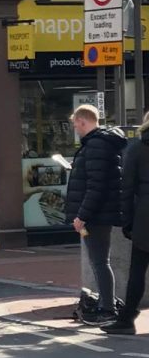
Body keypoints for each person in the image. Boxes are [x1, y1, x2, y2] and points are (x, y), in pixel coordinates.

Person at [65, 104, 126, 325]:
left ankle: (107, 307)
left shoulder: (95, 146)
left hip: (96, 216)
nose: (75, 129)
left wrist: (81, 216)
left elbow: (96, 187)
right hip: (101, 213)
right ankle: (106, 302)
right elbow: (97, 178)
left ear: (83, 121)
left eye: (75, 125)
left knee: (100, 261)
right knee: (100, 261)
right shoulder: (101, 144)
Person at [102, 111, 149, 335]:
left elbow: (127, 189)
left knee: (138, 271)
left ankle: (127, 319)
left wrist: (127, 222)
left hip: (145, 216)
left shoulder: (137, 149)